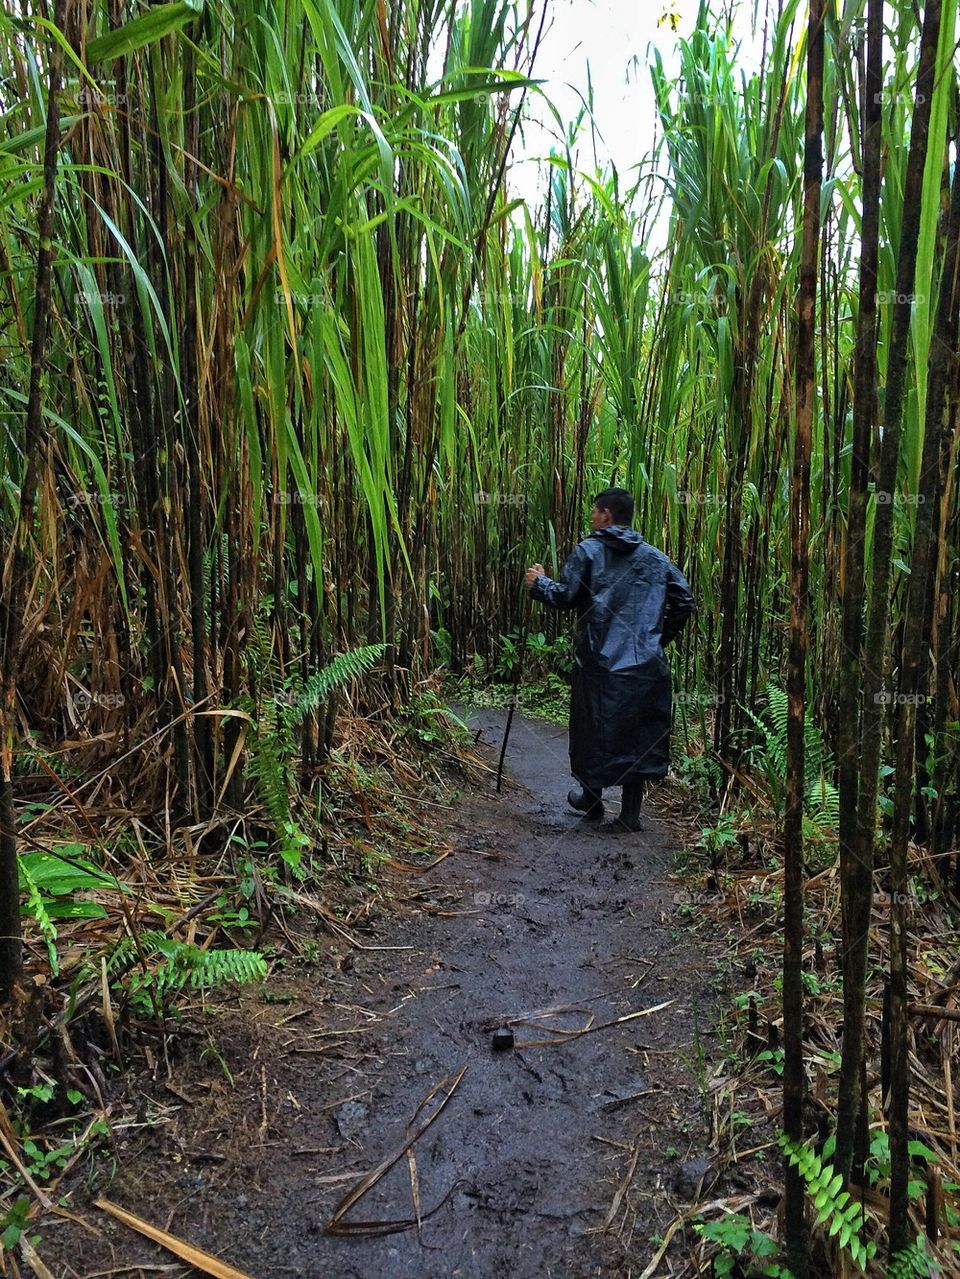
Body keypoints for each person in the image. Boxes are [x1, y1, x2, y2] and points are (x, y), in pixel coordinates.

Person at [523, 487, 695, 831]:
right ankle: (629, 816)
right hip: (646, 667)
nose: (591, 518)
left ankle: (592, 799)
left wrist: (538, 584)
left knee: (592, 728)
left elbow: (566, 596)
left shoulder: (588, 551)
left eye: (594, 511)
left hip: (599, 665)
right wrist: (656, 640)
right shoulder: (655, 558)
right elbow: (684, 600)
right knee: (638, 736)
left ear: (606, 515)